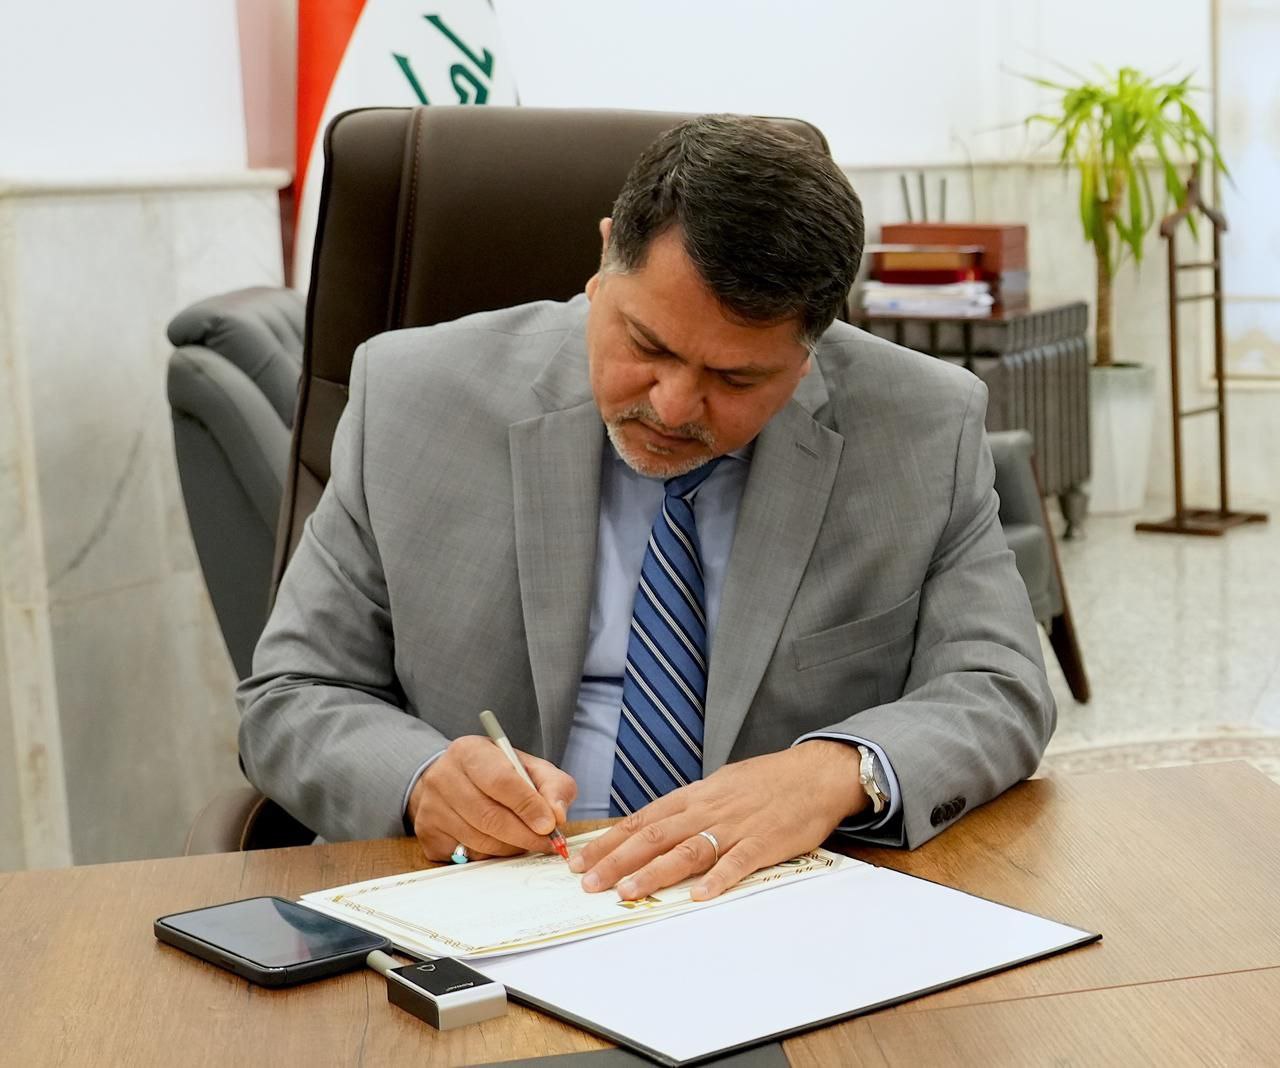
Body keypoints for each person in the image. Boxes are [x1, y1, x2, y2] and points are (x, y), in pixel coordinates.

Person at [238, 114, 1054, 904]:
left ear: (811, 352)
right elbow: (292, 691)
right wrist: (419, 780)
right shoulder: (412, 398)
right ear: (603, 261)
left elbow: (999, 687)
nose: (672, 406)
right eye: (648, 345)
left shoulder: (921, 425)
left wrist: (838, 769)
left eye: (735, 378)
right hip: (490, 901)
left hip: (769, 902)